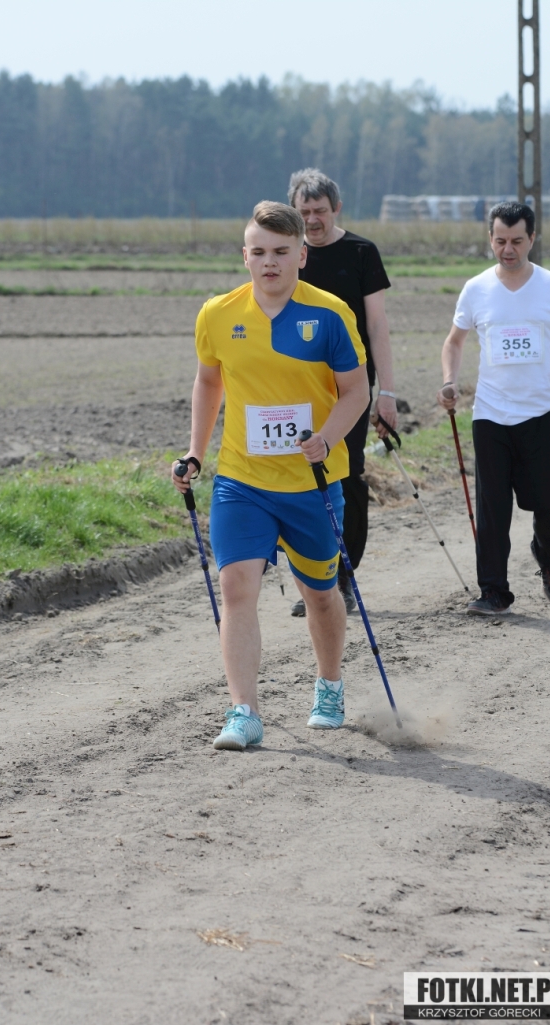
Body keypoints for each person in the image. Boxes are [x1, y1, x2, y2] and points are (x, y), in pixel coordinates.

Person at [173, 201, 369, 750]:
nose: (270, 263)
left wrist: (326, 438)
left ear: (302, 255)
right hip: (242, 481)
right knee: (236, 587)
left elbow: (356, 391)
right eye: (259, 252)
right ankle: (244, 712)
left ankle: (329, 686)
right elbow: (208, 382)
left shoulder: (329, 314)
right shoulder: (217, 313)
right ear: (245, 257)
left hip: (311, 482)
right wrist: (195, 453)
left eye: (281, 252)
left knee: (320, 594)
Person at [437, 201, 550, 615]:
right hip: (491, 415)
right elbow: (454, 342)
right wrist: (450, 381)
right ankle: (494, 592)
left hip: (541, 414)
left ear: (532, 239)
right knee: (492, 507)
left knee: (548, 505)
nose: (508, 249)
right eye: (500, 241)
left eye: (517, 241)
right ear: (490, 239)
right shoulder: (476, 288)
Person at [287, 168, 397, 617]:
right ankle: (315, 580)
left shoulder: (361, 253)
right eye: (304, 212)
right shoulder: (288, 254)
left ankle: (343, 578)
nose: (312, 220)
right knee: (299, 481)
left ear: (336, 209)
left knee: (346, 477)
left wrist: (387, 391)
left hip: (349, 389)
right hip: (297, 389)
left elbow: (377, 326)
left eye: (319, 210)